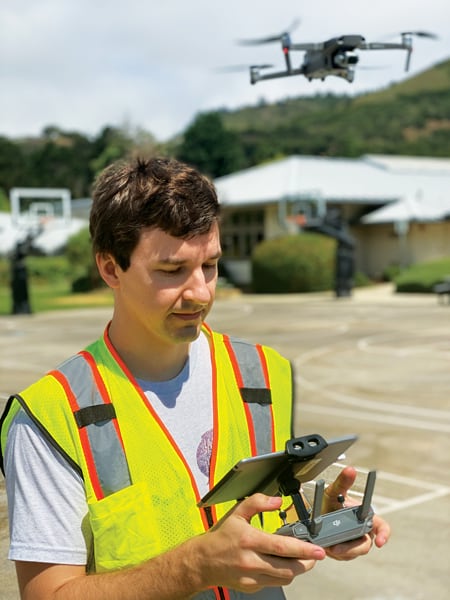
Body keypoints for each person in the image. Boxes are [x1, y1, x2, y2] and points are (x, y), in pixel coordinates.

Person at [0, 156, 390, 600]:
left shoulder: (263, 373)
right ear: (110, 269)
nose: (201, 293)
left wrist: (321, 521)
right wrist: (194, 568)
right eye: (172, 270)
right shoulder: (52, 416)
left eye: (209, 265)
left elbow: (262, 517)